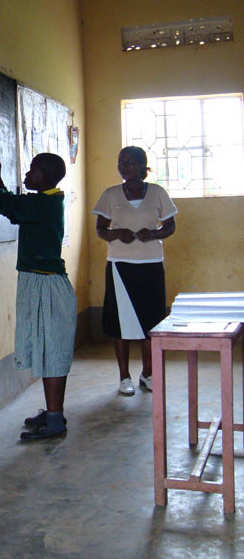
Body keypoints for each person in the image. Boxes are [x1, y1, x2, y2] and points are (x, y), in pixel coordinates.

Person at [0, 151, 76, 440]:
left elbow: (5, 204)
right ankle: (53, 413)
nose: (27, 176)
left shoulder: (45, 202)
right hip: (39, 282)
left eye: (32, 172)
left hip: (46, 284)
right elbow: (16, 209)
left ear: (48, 177)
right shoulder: (45, 200)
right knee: (46, 350)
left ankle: (55, 422)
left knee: (51, 352)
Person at [92, 146, 177, 396]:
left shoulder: (158, 193)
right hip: (120, 265)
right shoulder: (110, 194)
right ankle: (124, 377)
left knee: (150, 322)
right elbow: (101, 229)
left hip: (150, 265)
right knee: (121, 323)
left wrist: (153, 234)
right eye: (121, 162)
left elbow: (170, 226)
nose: (124, 166)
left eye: (130, 162)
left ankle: (148, 374)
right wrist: (118, 233)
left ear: (143, 166)